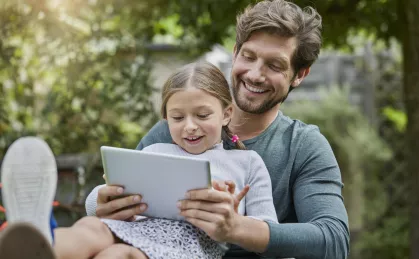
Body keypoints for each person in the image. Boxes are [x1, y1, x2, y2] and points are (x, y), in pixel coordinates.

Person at [86, 0, 350, 258]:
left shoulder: (303, 145)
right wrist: (102, 204)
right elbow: (121, 196)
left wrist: (238, 229)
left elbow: (333, 240)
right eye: (248, 56)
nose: (255, 74)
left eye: (274, 65)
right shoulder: (171, 131)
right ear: (235, 52)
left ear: (300, 74)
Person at [0, 61, 278, 259]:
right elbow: (98, 200)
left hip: (186, 244)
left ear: (227, 114)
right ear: (166, 118)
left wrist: (234, 219)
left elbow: (271, 236)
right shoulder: (155, 151)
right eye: (177, 118)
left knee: (119, 254)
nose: (189, 126)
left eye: (202, 116)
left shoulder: (247, 163)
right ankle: (35, 246)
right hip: (134, 224)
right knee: (90, 227)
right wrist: (102, 199)